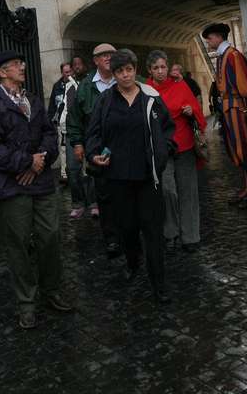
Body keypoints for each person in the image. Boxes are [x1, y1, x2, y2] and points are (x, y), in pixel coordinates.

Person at [0, 50, 71, 329]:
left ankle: (51, 290)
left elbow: (50, 133)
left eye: (21, 63)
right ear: (3, 72)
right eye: (16, 65)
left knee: (50, 235)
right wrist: (27, 162)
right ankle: (26, 302)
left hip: (39, 181)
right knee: (17, 244)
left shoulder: (33, 100)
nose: (22, 67)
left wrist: (40, 161)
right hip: (11, 186)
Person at [84, 49, 176, 303]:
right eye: (120, 71)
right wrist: (93, 154)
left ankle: (159, 283)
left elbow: (168, 129)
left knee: (153, 230)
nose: (125, 75)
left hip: (149, 177)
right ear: (113, 74)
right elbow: (92, 133)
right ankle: (133, 262)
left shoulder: (151, 97)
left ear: (135, 70)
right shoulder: (105, 102)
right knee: (127, 228)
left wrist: (163, 153)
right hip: (118, 178)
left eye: (129, 70)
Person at [147, 51, 206, 253]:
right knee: (167, 191)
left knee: (188, 192)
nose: (161, 71)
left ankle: (190, 236)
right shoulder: (146, 92)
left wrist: (191, 111)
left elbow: (199, 113)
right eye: (156, 68)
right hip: (161, 149)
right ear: (150, 70)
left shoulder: (181, 86)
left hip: (184, 146)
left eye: (163, 67)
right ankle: (169, 232)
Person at [203, 24, 247, 207]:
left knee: (246, 149)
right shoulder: (224, 56)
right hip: (230, 109)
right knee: (236, 150)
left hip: (238, 108)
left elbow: (244, 86)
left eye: (210, 37)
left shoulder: (233, 55)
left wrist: (242, 106)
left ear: (219, 37)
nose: (208, 41)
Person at [66, 43, 118, 251]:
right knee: (103, 194)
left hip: (124, 148)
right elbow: (75, 119)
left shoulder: (125, 79)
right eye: (103, 55)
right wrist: (78, 143)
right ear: (95, 60)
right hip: (98, 151)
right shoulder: (86, 87)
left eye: (111, 55)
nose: (108, 58)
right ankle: (112, 237)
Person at [64, 56, 91, 217]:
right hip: (71, 132)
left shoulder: (90, 83)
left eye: (80, 64)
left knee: (93, 169)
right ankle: (78, 203)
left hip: (89, 131)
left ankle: (94, 202)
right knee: (73, 169)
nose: (78, 67)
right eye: (75, 65)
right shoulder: (67, 86)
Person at [47, 62, 75, 183]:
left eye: (70, 72)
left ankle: (81, 172)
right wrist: (51, 120)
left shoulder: (76, 84)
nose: (68, 74)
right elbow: (52, 105)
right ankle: (64, 174)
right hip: (61, 123)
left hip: (74, 121)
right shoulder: (57, 86)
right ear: (62, 73)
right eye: (66, 72)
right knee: (62, 148)